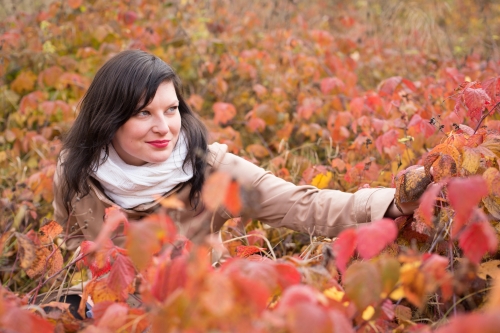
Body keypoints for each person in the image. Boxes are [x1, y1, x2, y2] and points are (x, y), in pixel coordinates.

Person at [53, 50, 419, 251]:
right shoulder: (76, 171)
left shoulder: (212, 170)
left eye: (171, 109)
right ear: (109, 119)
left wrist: (393, 204)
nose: (164, 127)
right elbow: (72, 242)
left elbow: (301, 204)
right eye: (143, 113)